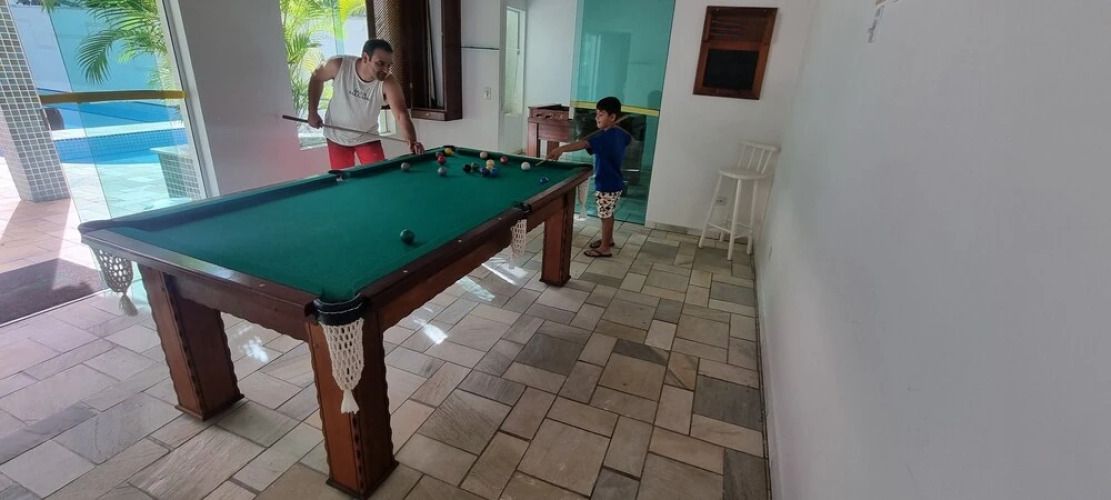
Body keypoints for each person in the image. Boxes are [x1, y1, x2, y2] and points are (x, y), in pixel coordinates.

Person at [307, 39, 424, 168]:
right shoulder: (339, 65)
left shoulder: (388, 82)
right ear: (365, 58)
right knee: (343, 178)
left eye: (389, 65)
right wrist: (312, 112)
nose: (386, 70)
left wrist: (412, 141)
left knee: (379, 175)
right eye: (380, 64)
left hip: (368, 136)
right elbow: (316, 77)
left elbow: (401, 114)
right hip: (337, 136)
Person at [546, 96, 631, 258]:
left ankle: (604, 248)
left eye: (601, 114)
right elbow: (628, 137)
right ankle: (608, 239)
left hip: (607, 184)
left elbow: (584, 144)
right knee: (608, 213)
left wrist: (561, 149)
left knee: (605, 216)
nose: (597, 117)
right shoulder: (619, 134)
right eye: (597, 113)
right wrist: (615, 128)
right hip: (615, 182)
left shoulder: (605, 138)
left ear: (612, 117)